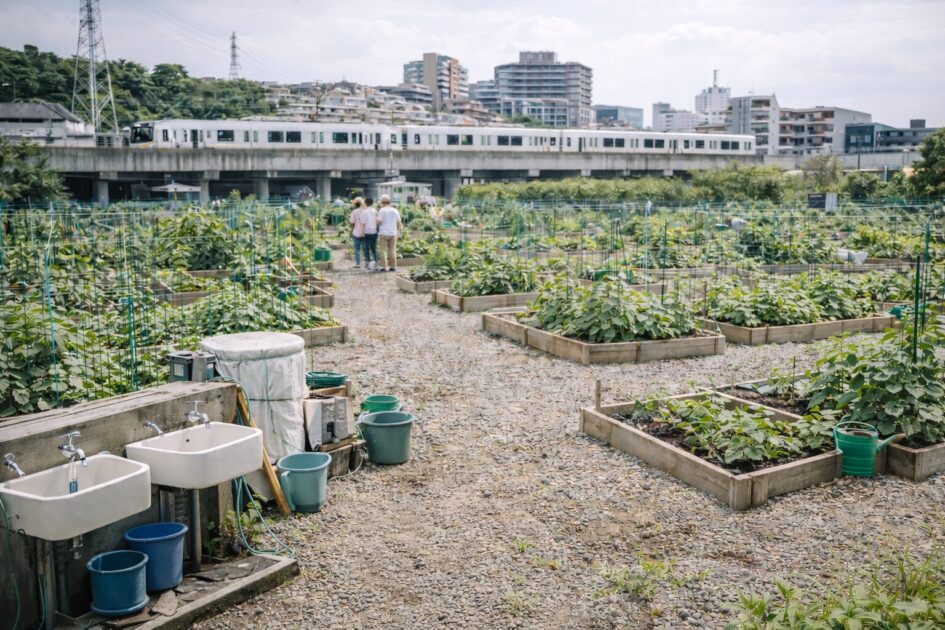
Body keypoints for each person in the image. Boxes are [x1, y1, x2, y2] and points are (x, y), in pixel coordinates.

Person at [377, 194, 403, 272]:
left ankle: (384, 267)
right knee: (392, 250)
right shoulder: (395, 210)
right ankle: (393, 267)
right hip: (393, 233)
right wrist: (399, 232)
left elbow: (379, 221)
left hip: (384, 233)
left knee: (383, 250)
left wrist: (376, 219)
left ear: (382, 202)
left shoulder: (382, 210)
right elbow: (399, 223)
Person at [359, 197, 379, 270]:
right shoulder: (375, 210)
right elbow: (377, 220)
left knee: (366, 248)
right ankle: (376, 263)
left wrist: (362, 233)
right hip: (374, 231)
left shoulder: (364, 212)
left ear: (365, 203)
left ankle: (367, 264)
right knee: (374, 248)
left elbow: (363, 224)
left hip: (367, 232)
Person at [348, 197, 365, 268]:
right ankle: (367, 263)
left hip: (356, 232)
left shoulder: (354, 212)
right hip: (365, 232)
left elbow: (352, 223)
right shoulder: (366, 211)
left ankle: (358, 264)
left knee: (357, 249)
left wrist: (351, 231)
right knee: (365, 248)